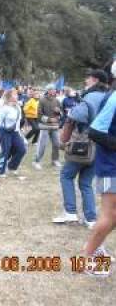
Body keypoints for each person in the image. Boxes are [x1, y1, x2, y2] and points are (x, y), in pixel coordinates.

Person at [53, 70, 109, 228]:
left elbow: (76, 116)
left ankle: (70, 212)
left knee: (66, 175)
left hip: (83, 144)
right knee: (86, 183)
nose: (86, 80)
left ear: (95, 80)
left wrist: (64, 136)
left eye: (88, 78)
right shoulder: (109, 96)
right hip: (102, 146)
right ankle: (91, 219)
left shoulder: (90, 97)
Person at [83, 63, 116, 276]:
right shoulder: (114, 98)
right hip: (111, 165)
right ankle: (86, 259)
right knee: (110, 214)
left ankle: (96, 248)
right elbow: (94, 131)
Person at [0, 89, 27, 178]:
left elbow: (18, 121)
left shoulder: (18, 107)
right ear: (10, 97)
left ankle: (11, 166)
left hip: (15, 132)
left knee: (22, 149)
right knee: (5, 151)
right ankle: (0, 170)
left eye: (17, 95)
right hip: (5, 132)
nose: (17, 96)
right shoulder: (5, 108)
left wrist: (20, 132)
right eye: (15, 95)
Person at [33, 84, 63, 170]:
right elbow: (39, 114)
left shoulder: (57, 100)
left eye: (54, 89)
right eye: (52, 89)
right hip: (45, 126)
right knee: (42, 144)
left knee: (57, 144)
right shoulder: (42, 100)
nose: (54, 91)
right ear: (48, 90)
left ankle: (55, 160)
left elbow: (61, 113)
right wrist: (49, 119)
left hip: (55, 126)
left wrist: (59, 112)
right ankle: (37, 161)